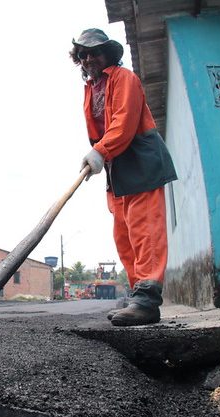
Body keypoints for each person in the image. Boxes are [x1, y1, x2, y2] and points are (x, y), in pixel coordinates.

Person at [71, 28, 177, 326]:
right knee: (124, 235)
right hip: (116, 165)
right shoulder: (91, 89)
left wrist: (100, 150)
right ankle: (139, 299)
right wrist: (98, 155)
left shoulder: (124, 78)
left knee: (144, 230)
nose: (88, 58)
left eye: (94, 52)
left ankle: (147, 299)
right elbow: (99, 130)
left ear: (109, 54)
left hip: (138, 157)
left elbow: (125, 122)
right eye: (83, 54)